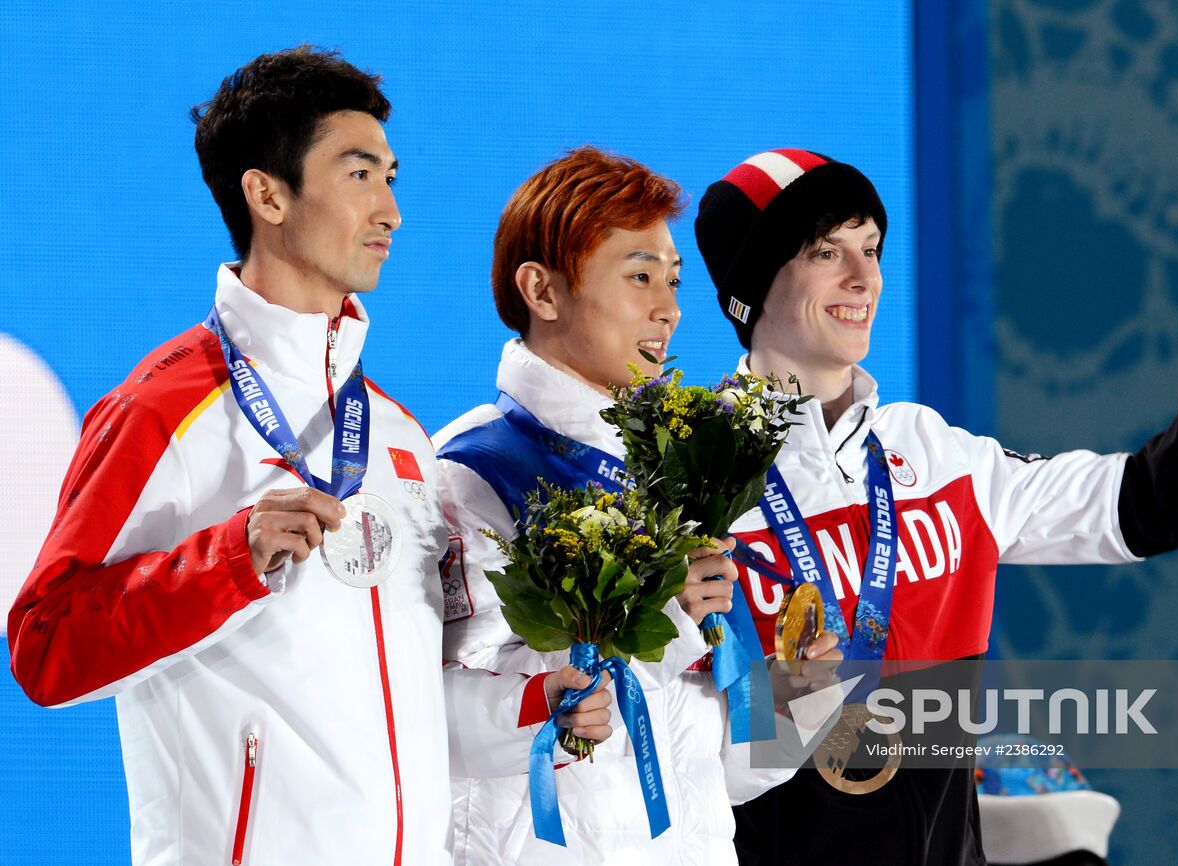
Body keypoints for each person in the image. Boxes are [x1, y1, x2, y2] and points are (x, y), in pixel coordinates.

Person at [692, 148, 1178, 865]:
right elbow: (678, 760)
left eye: (871, 247)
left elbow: (1150, 504)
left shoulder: (935, 455)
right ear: (751, 288)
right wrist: (781, 705)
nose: (864, 279)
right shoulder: (693, 488)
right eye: (827, 251)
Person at [9, 46, 459, 865]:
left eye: (392, 177)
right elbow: (45, 647)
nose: (391, 210)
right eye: (361, 175)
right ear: (267, 194)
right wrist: (227, 560)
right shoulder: (161, 409)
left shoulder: (398, 436)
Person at [434, 146, 832, 865]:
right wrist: (663, 616)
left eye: (673, 280)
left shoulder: (677, 480)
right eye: (640, 275)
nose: (670, 309)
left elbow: (726, 771)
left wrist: (793, 694)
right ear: (543, 291)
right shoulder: (474, 472)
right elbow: (457, 725)